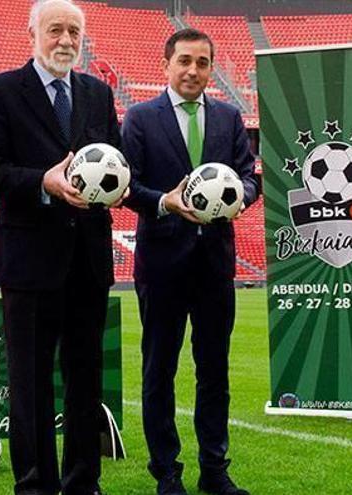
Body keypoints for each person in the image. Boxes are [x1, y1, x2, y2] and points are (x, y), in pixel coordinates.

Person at [0, 1, 122, 494]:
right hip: (29, 262)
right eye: (55, 29)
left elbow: (114, 160)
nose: (66, 40)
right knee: (31, 383)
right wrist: (43, 182)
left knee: (85, 379)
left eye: (74, 31)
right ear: (32, 33)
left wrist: (117, 185)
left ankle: (83, 483)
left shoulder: (98, 93)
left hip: (88, 261)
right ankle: (35, 485)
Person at [121, 28, 258, 495]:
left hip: (214, 264)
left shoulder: (228, 117)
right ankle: (166, 471)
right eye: (184, 61)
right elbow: (126, 186)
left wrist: (240, 197)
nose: (193, 70)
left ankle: (214, 470)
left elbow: (248, 176)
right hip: (161, 264)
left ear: (211, 68)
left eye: (202, 62)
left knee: (214, 370)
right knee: (159, 370)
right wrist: (165, 202)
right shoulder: (141, 118)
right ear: (167, 65)